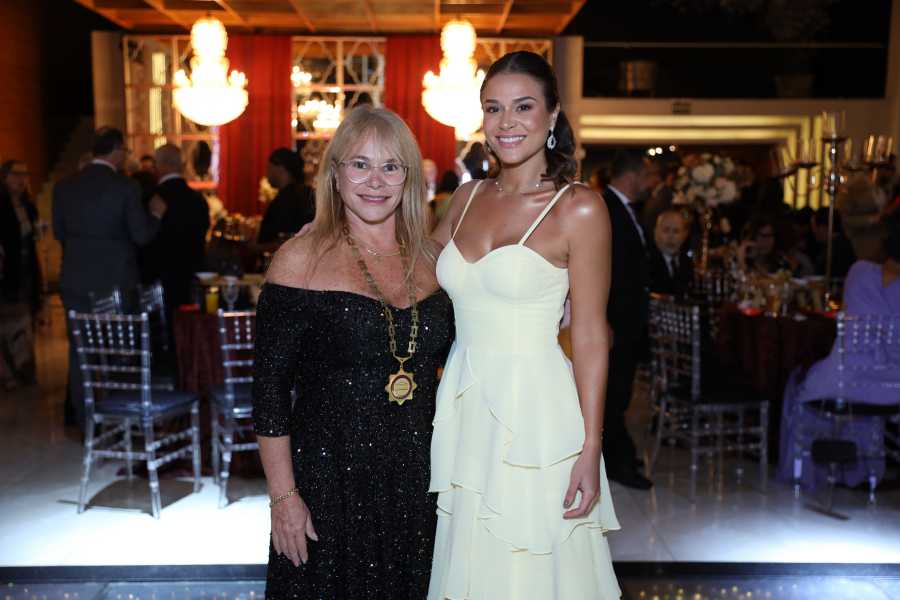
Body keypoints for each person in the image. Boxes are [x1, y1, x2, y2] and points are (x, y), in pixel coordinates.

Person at [428, 50, 620, 600]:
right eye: (493, 108)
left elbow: (590, 336)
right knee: (475, 563)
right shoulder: (465, 198)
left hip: (539, 415)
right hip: (464, 405)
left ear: (552, 114)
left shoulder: (579, 208)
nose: (506, 122)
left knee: (535, 566)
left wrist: (590, 446)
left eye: (523, 106)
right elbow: (413, 278)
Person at [252, 106, 453, 599]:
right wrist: (283, 497)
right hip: (329, 483)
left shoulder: (437, 261)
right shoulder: (299, 260)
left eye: (391, 166)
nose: (375, 181)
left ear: (409, 177)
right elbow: (269, 393)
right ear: (335, 174)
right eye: (360, 164)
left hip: (421, 480)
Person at [777, 210, 900, 490]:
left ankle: (810, 471)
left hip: (845, 381)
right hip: (894, 386)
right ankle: (859, 468)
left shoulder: (859, 272)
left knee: (799, 381)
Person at [53, 126, 166, 428]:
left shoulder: (64, 186)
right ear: (117, 151)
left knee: (81, 355)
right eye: (125, 151)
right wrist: (156, 215)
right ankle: (120, 422)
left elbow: (59, 233)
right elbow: (141, 236)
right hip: (116, 282)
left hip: (75, 280)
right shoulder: (126, 187)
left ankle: (87, 425)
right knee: (119, 352)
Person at [601, 149, 654, 490]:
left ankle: (618, 454)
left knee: (620, 391)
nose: (651, 183)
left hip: (628, 319)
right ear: (632, 175)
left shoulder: (627, 210)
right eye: (647, 176)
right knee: (614, 393)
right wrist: (603, 319)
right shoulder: (605, 208)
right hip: (614, 319)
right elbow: (604, 269)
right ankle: (616, 461)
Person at [141, 143, 210, 315]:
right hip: (191, 278)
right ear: (182, 165)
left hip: (158, 281)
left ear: (158, 165)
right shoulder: (198, 200)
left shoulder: (151, 197)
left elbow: (144, 237)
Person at [0, 160, 41, 388]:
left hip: (26, 269)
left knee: (24, 322)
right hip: (6, 271)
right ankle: (9, 374)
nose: (21, 179)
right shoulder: (1, 205)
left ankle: (24, 369)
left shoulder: (28, 205)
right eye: (17, 174)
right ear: (5, 177)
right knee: (8, 324)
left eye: (25, 174)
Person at [257, 148, 316, 250]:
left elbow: (285, 241)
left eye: (269, 168)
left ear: (280, 169)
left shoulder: (287, 199)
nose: (267, 174)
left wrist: (256, 248)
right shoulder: (305, 193)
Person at [648, 207, 693, 297]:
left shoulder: (687, 261)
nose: (670, 236)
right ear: (655, 232)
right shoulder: (646, 261)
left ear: (685, 235)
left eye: (676, 231)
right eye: (666, 230)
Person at [809, 207, 857, 278]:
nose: (813, 232)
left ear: (823, 227)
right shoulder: (840, 243)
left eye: (814, 227)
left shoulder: (837, 247)